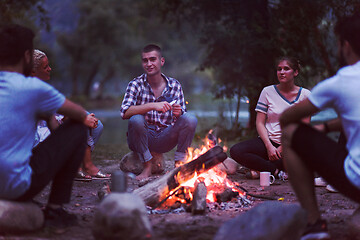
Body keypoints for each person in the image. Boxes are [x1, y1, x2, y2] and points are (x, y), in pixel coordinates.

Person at [0, 24, 99, 231]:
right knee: (77, 127)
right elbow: (80, 115)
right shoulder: (33, 88)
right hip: (14, 187)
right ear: (27, 56)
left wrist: (46, 115)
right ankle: (54, 210)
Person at [280, 14, 360, 240]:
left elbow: (287, 118)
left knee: (290, 133)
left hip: (356, 180)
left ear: (345, 45)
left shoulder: (342, 80)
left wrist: (320, 126)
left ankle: (314, 223)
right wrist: (325, 128)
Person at [120, 44, 197, 180]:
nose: (149, 64)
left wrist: (178, 113)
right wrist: (153, 106)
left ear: (161, 61)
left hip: (164, 138)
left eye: (152, 59)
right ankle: (147, 167)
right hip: (139, 137)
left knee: (190, 119)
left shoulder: (175, 85)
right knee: (136, 119)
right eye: (145, 60)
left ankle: (179, 166)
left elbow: (182, 118)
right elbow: (125, 112)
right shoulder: (135, 84)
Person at [31, 49, 110, 181]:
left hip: (48, 131)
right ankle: (79, 167)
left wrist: (70, 118)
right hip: (36, 142)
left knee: (97, 125)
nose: (50, 69)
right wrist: (73, 120)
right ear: (33, 72)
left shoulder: (43, 88)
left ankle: (83, 165)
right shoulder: (31, 92)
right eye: (45, 67)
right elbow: (41, 130)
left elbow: (59, 111)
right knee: (79, 124)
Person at [230, 57, 311, 179]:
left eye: (286, 69)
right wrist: (269, 146)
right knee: (236, 151)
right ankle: (276, 171)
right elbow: (260, 123)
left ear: (295, 72)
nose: (282, 72)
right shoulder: (267, 91)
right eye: (279, 69)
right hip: (269, 142)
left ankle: (260, 169)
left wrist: (282, 148)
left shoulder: (305, 95)